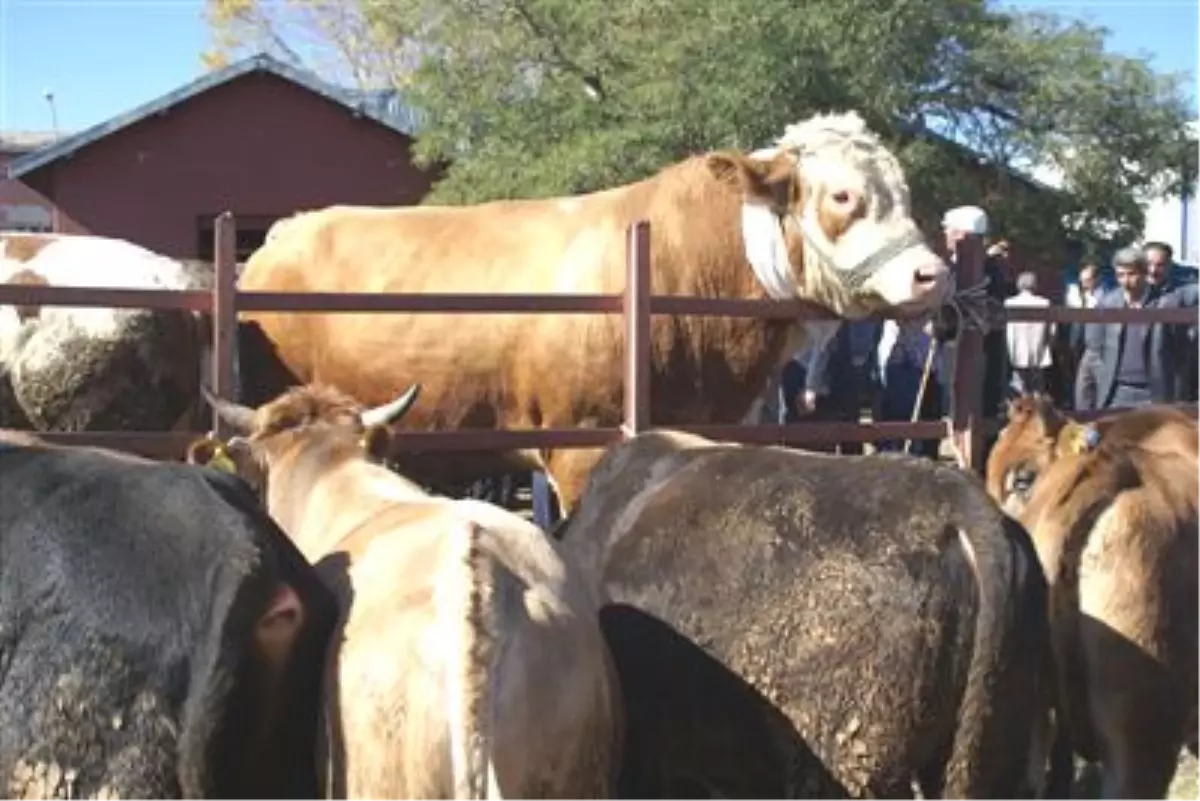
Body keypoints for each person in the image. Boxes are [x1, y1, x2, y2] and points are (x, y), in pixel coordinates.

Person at [1076, 246, 1199, 411]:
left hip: (1154, 395)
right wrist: (1086, 399)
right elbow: (1093, 354)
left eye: (1131, 274)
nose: (1126, 281)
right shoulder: (1107, 304)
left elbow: (1181, 353)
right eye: (1120, 275)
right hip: (1115, 394)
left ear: (1144, 273)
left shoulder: (1167, 303)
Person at [1004, 271, 1055, 395]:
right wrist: (1050, 346)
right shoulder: (1045, 303)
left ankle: (1020, 411)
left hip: (1016, 350)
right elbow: (1052, 330)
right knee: (1037, 387)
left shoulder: (1009, 303)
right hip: (1038, 350)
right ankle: (1037, 412)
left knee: (1019, 385)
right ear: (1035, 285)